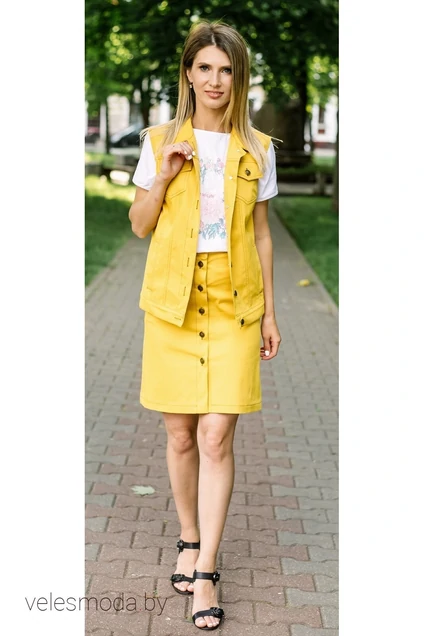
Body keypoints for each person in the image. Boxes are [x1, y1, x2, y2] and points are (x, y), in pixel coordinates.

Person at [128, 20, 281, 631]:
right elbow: (140, 224)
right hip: (175, 298)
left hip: (234, 300)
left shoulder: (258, 149)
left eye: (227, 70)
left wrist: (271, 313)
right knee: (181, 435)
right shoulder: (159, 140)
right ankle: (188, 538)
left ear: (238, 77)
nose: (216, 80)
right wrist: (165, 174)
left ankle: (208, 569)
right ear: (188, 74)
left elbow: (262, 234)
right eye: (205, 68)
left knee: (217, 435)